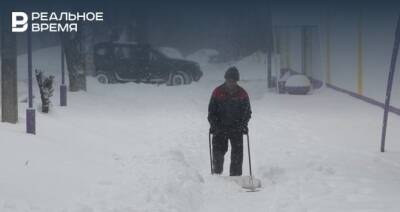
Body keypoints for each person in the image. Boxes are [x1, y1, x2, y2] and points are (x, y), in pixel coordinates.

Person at [208, 66, 252, 176]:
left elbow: (247, 113)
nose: (231, 83)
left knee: (237, 156)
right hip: (219, 128)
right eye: (228, 80)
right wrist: (214, 125)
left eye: (233, 81)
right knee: (218, 154)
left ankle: (235, 177)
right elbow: (211, 112)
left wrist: (243, 125)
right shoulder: (217, 92)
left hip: (236, 128)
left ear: (236, 81)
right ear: (225, 79)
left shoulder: (242, 94)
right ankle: (217, 175)